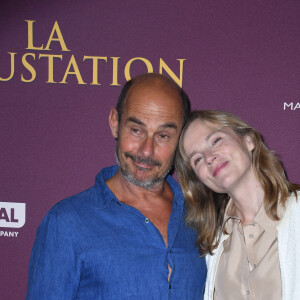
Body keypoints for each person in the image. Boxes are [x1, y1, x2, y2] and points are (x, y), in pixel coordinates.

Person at [25, 74, 207, 300]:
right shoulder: (66, 223)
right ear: (114, 122)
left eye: (163, 136)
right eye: (136, 130)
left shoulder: (201, 216)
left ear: (180, 139)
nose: (146, 151)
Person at [175, 110, 300, 300]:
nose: (209, 157)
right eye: (197, 159)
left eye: (216, 140)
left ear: (248, 140)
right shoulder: (211, 247)